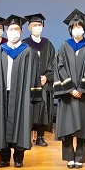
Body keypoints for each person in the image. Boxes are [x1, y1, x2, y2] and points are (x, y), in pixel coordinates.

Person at [0, 14, 43, 169]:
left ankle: (18, 158)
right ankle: (4, 158)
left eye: (16, 29)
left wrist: (32, 95)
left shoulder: (28, 52)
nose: (14, 32)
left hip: (21, 95)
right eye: (11, 29)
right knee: (1, 126)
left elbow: (34, 75)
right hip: (2, 95)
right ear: (7, 32)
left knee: (21, 125)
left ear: (21, 32)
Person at [54, 9, 85, 169]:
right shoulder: (64, 46)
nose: (77, 29)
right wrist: (70, 88)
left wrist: (81, 89)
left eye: (79, 26)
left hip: (83, 94)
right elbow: (59, 67)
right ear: (70, 29)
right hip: (68, 94)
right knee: (67, 126)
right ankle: (69, 157)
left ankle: (80, 158)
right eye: (74, 26)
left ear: (84, 28)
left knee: (84, 126)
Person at [23, 13, 55, 147]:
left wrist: (46, 77)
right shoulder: (24, 44)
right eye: (34, 25)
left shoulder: (48, 44)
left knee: (43, 109)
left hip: (44, 84)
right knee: (29, 109)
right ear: (29, 28)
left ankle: (40, 136)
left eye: (39, 25)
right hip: (29, 84)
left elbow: (53, 63)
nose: (37, 27)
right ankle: (26, 137)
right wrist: (34, 78)